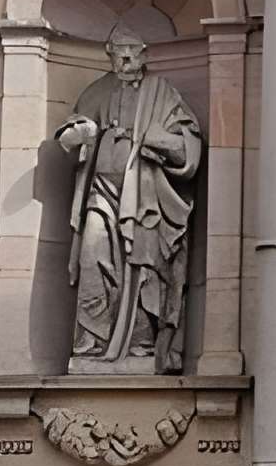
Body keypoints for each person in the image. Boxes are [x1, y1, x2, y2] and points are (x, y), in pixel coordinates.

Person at [57, 30, 203, 371]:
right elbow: (69, 136)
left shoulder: (163, 94)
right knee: (93, 258)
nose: (125, 59)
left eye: (131, 52)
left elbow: (189, 147)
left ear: (145, 54)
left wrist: (159, 140)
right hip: (101, 193)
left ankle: (142, 344)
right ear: (108, 53)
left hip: (146, 199)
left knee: (144, 267)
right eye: (118, 52)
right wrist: (79, 136)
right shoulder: (96, 92)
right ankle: (92, 342)